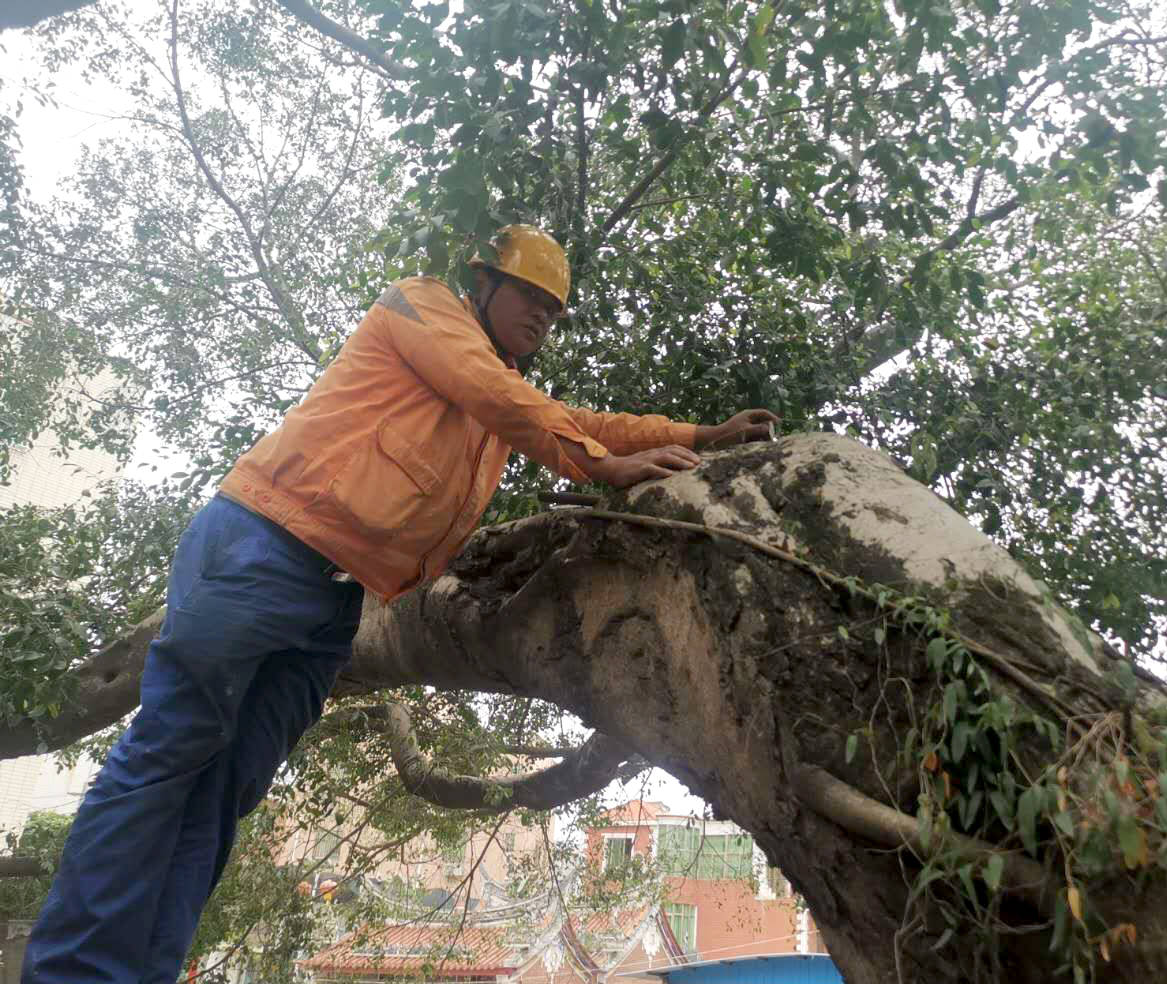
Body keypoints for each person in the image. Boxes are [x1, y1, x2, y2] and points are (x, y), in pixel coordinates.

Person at [22, 224, 779, 984]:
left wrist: (696, 433)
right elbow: (515, 404)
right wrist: (603, 468)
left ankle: (142, 970)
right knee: (169, 758)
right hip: (264, 547)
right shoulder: (421, 309)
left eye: (555, 310)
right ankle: (73, 973)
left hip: (332, 598)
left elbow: (572, 420)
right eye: (529, 295)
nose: (542, 316)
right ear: (481, 283)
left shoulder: (498, 391)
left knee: (224, 790)